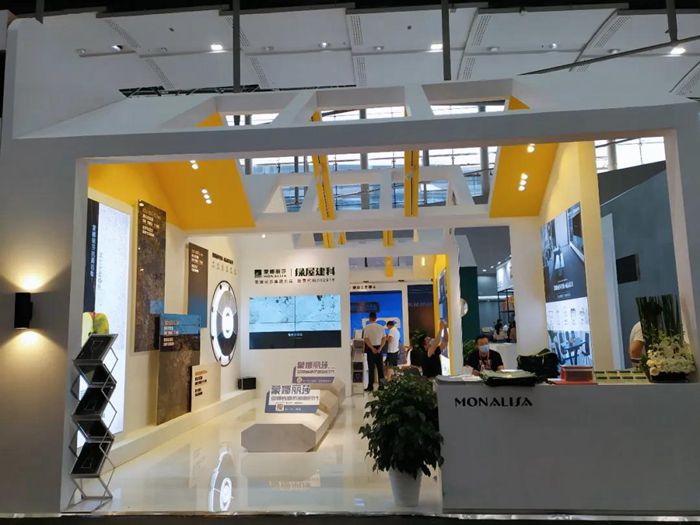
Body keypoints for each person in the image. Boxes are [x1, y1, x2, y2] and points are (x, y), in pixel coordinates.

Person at [363, 312, 386, 392]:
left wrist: (372, 348)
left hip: (370, 349)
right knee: (380, 369)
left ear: (369, 318)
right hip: (379, 348)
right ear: (376, 318)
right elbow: (384, 338)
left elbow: (366, 339)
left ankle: (370, 387)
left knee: (371, 369)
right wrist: (380, 348)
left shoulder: (367, 327)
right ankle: (382, 386)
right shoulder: (381, 327)